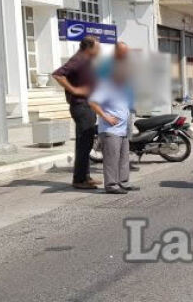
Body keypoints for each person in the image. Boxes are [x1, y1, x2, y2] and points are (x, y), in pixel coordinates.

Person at [53, 36, 101, 189]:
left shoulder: (86, 60)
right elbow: (58, 74)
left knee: (86, 143)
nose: (99, 49)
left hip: (88, 106)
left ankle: (84, 176)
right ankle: (79, 180)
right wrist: (73, 89)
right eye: (97, 46)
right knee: (83, 143)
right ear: (89, 47)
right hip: (81, 106)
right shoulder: (79, 59)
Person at [89, 56, 137, 195]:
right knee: (111, 160)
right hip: (110, 130)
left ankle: (124, 183)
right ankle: (111, 185)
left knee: (123, 159)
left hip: (123, 130)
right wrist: (106, 117)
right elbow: (93, 102)